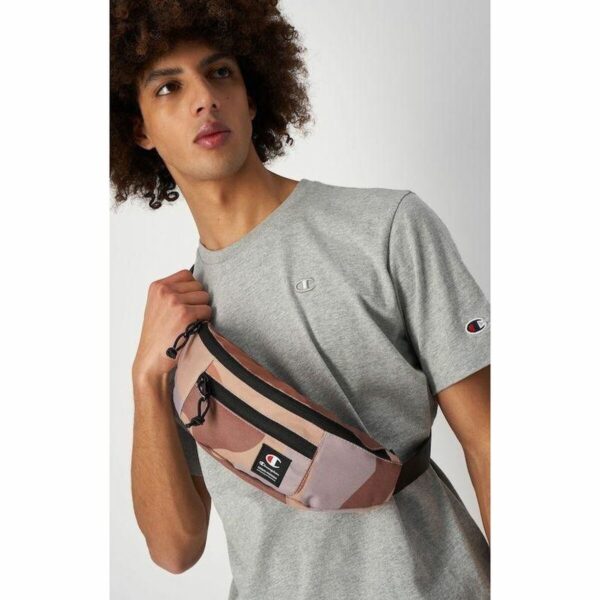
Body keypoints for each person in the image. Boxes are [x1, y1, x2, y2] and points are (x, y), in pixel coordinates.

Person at [111, 1, 491, 598]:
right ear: (139, 129)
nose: (204, 99)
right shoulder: (178, 328)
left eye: (220, 73)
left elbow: (489, 439)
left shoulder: (386, 227)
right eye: (168, 87)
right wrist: (144, 380)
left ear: (252, 96)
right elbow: (174, 549)